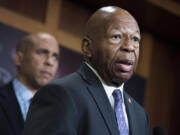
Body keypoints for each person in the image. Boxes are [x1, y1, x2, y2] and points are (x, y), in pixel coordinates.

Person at [23, 6, 151, 135]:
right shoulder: (61, 95)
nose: (129, 47)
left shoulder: (140, 115)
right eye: (116, 37)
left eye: (135, 39)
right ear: (87, 47)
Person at [0, 32, 60, 135]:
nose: (50, 62)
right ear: (19, 59)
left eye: (55, 57)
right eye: (42, 52)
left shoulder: (58, 114)